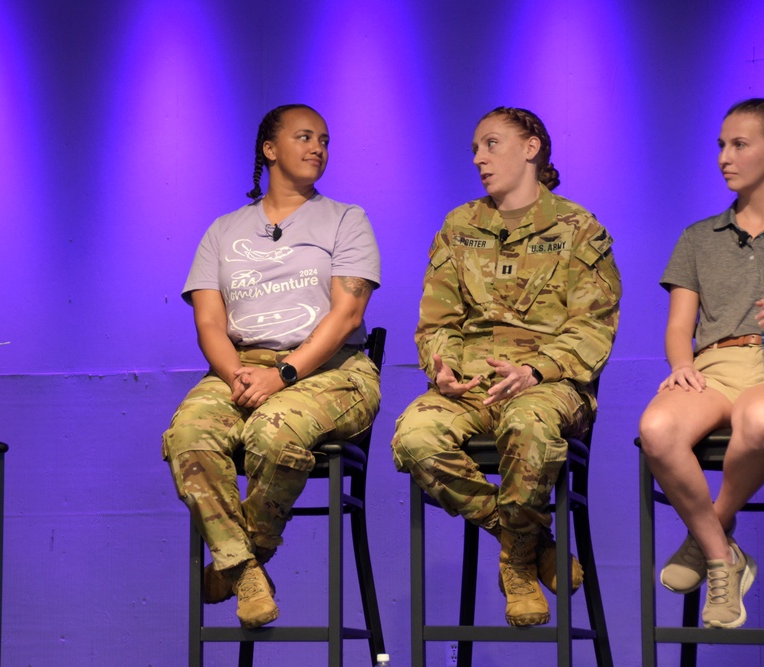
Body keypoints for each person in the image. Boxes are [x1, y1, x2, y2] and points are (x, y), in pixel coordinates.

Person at [391, 107, 621, 626]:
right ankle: (525, 538)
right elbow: (437, 321)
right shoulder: (461, 225)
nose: (478, 158)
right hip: (471, 384)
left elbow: (593, 328)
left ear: (532, 147)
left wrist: (536, 372)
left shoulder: (578, 229)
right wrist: (442, 366)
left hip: (548, 384)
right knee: (414, 438)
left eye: (491, 144)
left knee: (528, 425)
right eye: (475, 148)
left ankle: (515, 568)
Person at [162, 104, 381, 629]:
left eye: (325, 140)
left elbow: (348, 311)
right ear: (269, 149)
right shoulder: (223, 230)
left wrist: (283, 375)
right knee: (189, 434)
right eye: (305, 137)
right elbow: (210, 324)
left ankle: (242, 556)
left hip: (331, 370)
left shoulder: (346, 219)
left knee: (272, 431)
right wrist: (237, 373)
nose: (318, 149)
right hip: (241, 365)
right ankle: (246, 573)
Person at [639, 98, 764, 629]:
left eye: (740, 145)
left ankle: (707, 535)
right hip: (715, 363)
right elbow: (678, 326)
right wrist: (681, 363)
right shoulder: (697, 237)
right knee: (657, 427)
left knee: (759, 422)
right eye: (721, 145)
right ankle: (722, 554)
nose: (724, 157)